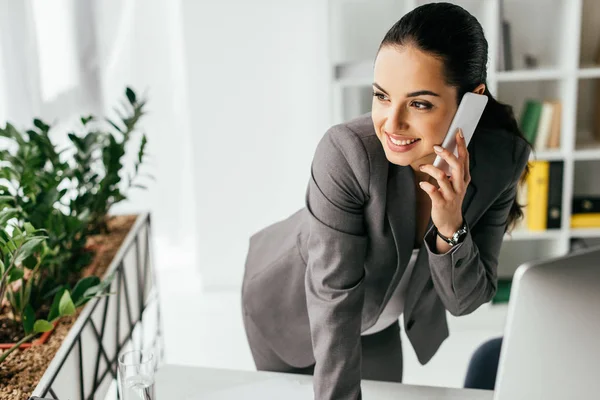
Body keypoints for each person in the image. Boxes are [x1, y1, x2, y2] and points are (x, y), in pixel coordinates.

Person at [241, 2, 531, 399]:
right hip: (292, 310)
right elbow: (334, 298)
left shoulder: (502, 160)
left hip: (378, 320)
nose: (391, 124)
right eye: (381, 96)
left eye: (419, 103)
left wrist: (450, 225)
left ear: (471, 102)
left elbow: (465, 301)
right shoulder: (346, 153)